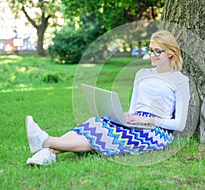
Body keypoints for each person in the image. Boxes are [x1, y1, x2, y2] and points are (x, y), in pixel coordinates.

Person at [26, 30, 190, 165]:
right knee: (95, 123)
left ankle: (46, 142)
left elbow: (180, 124)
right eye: (150, 50)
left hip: (157, 131)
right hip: (135, 119)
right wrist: (125, 116)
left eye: (157, 51)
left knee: (106, 133)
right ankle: (48, 153)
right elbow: (134, 108)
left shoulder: (180, 81)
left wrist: (148, 121)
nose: (152, 55)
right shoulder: (142, 74)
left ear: (170, 53)